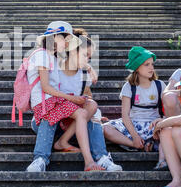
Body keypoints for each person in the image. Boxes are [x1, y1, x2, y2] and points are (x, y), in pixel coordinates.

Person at [32, 29, 122, 171]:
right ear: (73, 51)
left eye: (90, 58)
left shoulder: (83, 75)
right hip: (48, 123)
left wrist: (89, 112)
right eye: (86, 55)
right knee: (51, 110)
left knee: (93, 108)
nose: (88, 60)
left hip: (72, 124)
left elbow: (87, 100)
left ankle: (102, 158)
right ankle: (40, 159)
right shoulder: (53, 66)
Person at [103, 47, 166, 164]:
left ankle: (158, 155)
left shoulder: (159, 85)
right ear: (137, 68)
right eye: (147, 64)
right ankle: (135, 144)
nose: (151, 68)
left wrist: (161, 121)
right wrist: (135, 137)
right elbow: (125, 115)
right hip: (133, 124)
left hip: (153, 125)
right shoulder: (129, 87)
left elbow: (166, 110)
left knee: (167, 129)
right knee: (105, 128)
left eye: (152, 64)